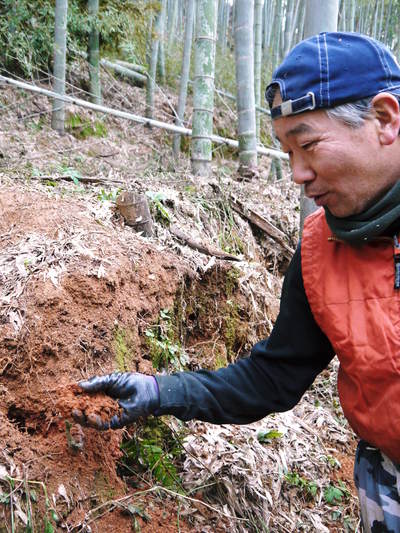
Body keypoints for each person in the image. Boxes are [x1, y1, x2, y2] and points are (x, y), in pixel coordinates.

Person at [73, 32, 400, 532]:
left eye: (309, 145)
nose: (297, 174)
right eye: (286, 151)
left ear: (384, 119)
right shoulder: (321, 249)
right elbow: (273, 377)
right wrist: (160, 392)